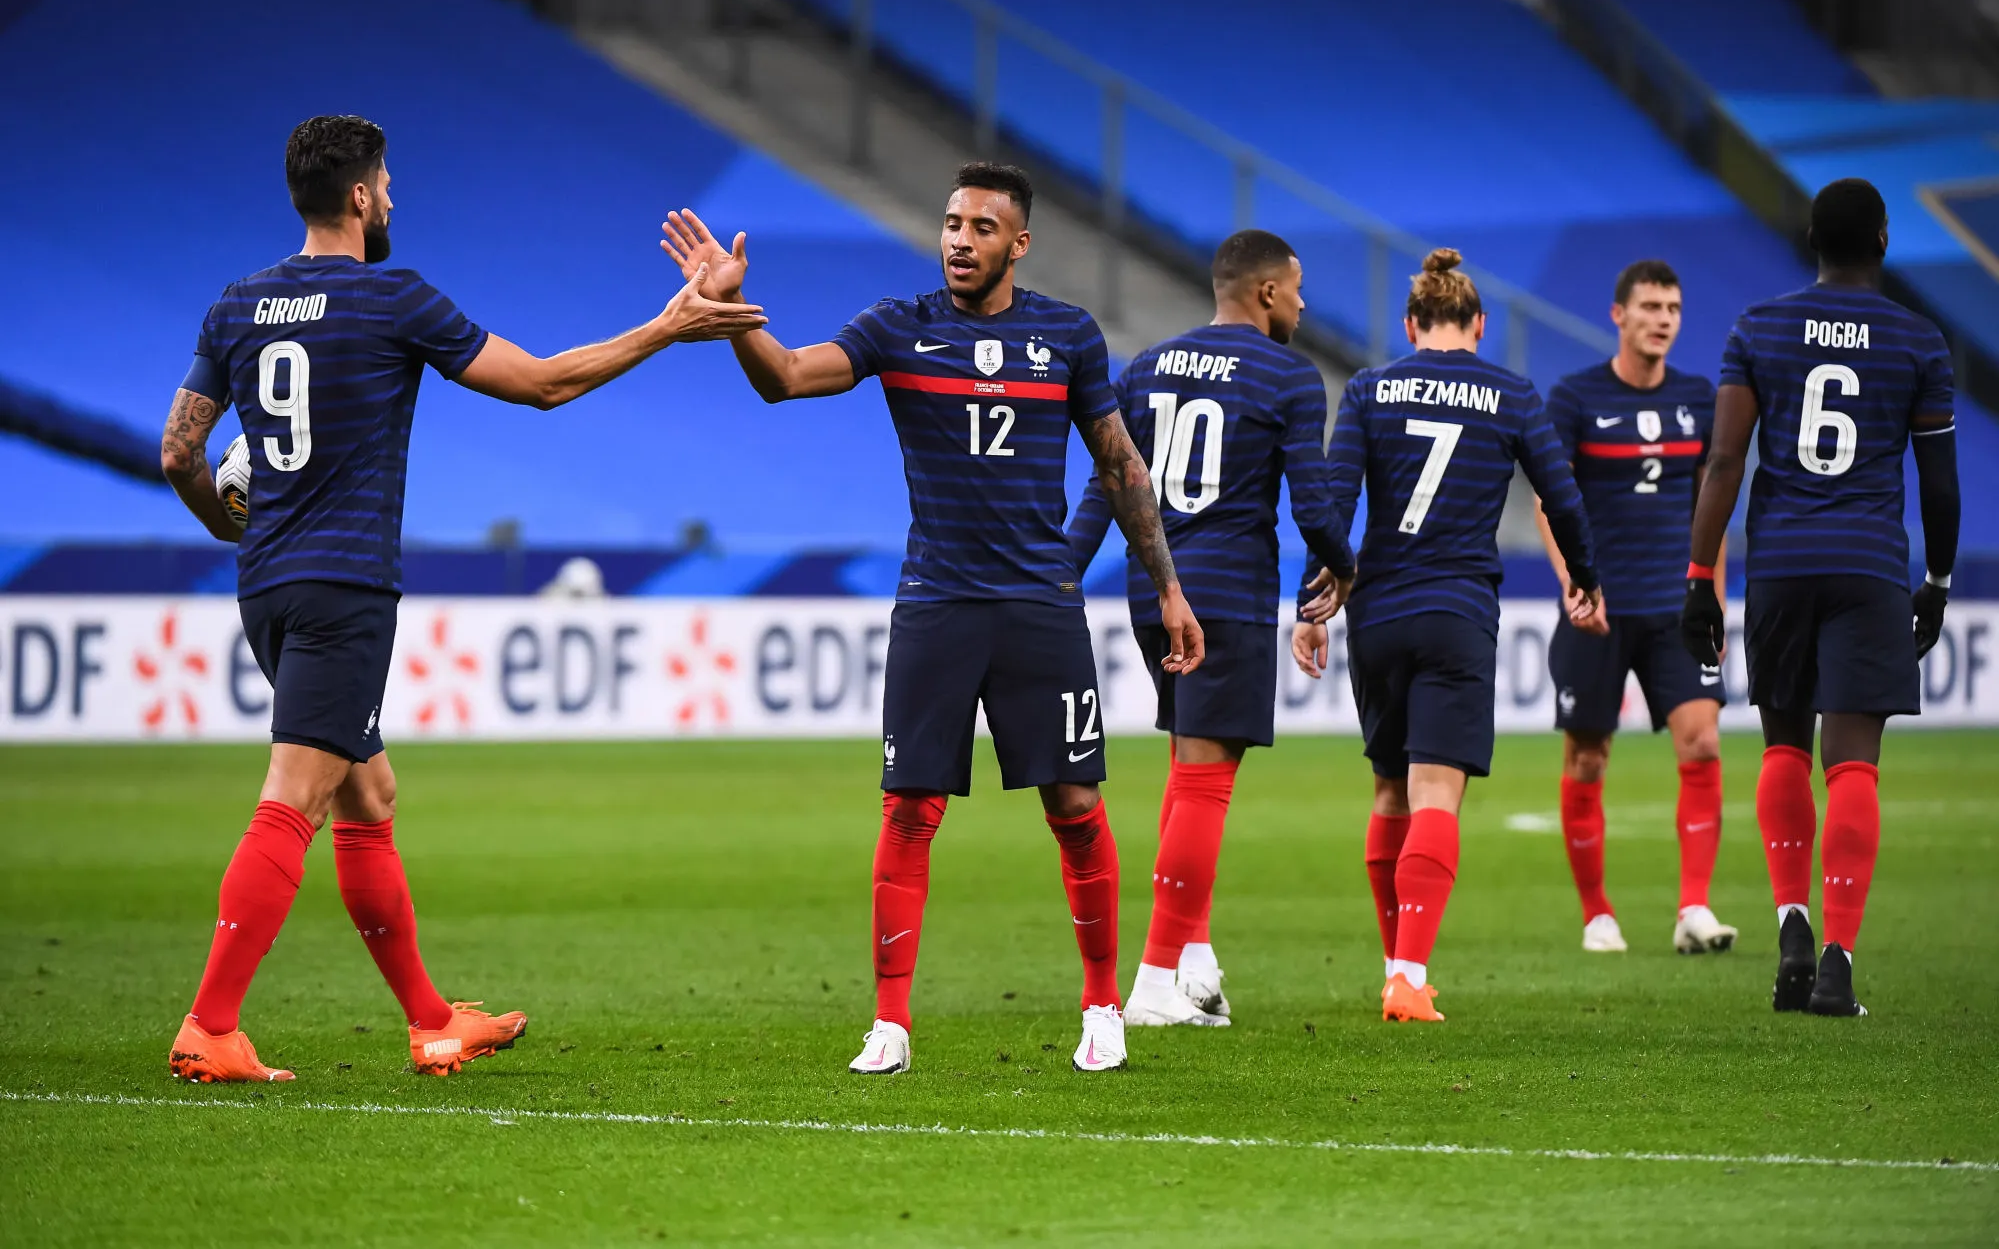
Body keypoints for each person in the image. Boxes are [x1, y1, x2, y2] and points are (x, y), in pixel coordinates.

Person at [160, 114, 767, 1083]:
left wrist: (228, 525)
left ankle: (433, 1020)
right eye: (387, 184)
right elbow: (542, 385)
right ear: (360, 195)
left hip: (267, 583)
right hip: (345, 587)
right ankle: (211, 1025)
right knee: (294, 799)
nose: (393, 198)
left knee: (368, 791)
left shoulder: (236, 306)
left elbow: (179, 452)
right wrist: (669, 325)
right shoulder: (392, 297)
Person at [660, 162, 1202, 1075]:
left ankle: (1101, 1005)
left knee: (1074, 804)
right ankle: (889, 1023)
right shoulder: (898, 327)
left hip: (1039, 605)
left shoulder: (1068, 335)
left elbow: (1119, 467)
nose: (959, 239)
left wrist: (1169, 589)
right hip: (936, 604)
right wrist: (733, 310)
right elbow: (785, 378)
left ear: (1018, 244)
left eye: (982, 227)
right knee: (908, 807)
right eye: (952, 222)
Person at [1295, 249, 1601, 1023]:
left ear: (1409, 326)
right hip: (1457, 610)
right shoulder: (1510, 393)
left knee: (1389, 788)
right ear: (1479, 325)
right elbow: (1562, 498)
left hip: (1377, 609)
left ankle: (1393, 967)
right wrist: (1584, 576)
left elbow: (1332, 503)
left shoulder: (1369, 388)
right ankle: (1407, 974)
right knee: (1436, 792)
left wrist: (1310, 602)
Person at [1681, 177, 1957, 1017]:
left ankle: (1790, 925)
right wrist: (1937, 581)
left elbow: (1724, 461)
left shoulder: (1756, 328)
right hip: (1867, 565)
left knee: (1784, 746)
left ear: (1809, 239)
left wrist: (1698, 577)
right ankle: (1836, 963)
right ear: (1881, 240)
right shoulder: (1917, 340)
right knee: (1852, 761)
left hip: (1781, 563)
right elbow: (1938, 483)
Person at [1066, 230, 1349, 1028]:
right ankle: (1155, 982)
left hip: (1152, 593)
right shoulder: (1289, 374)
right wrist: (1345, 567)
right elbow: (1313, 505)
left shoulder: (1147, 365)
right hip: (1225, 594)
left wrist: (1060, 571)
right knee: (1205, 781)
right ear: (1266, 291)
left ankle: (1192, 960)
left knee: (1184, 766)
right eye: (1296, 288)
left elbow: (1106, 484)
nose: (1302, 303)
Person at [1534, 261, 1737, 956]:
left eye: (1672, 308)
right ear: (1617, 315)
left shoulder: (1698, 398)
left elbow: (1711, 510)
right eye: (1649, 307)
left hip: (1675, 607)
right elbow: (1549, 501)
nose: (1663, 319)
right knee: (1588, 758)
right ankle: (1597, 914)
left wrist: (1714, 599)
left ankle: (1693, 908)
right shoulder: (1575, 396)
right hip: (1599, 608)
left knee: (1702, 741)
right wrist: (1574, 582)